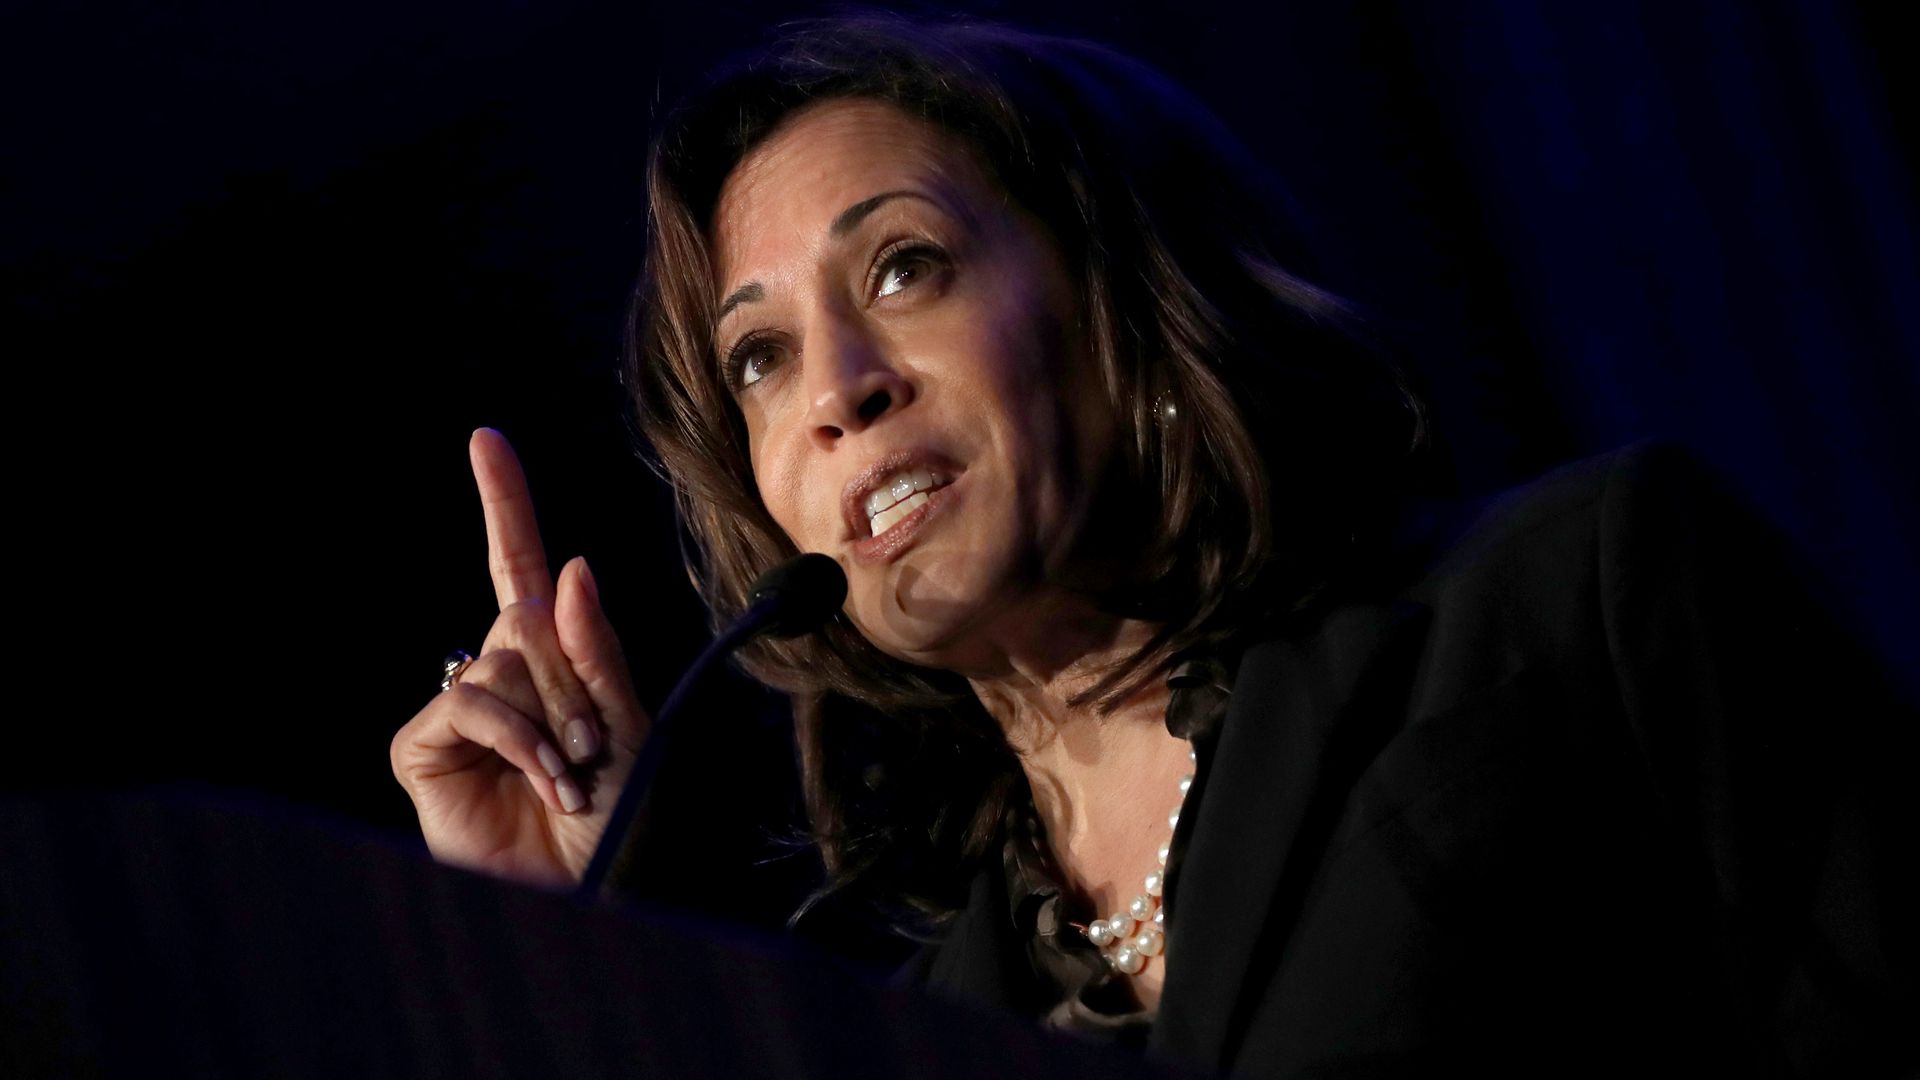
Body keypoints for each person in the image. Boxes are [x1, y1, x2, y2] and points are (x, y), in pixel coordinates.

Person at [391, 14, 1911, 1076]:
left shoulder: (1577, 600)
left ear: (1122, 306)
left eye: (905, 267)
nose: (839, 392)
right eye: (760, 360)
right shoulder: (924, 1016)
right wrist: (567, 952)